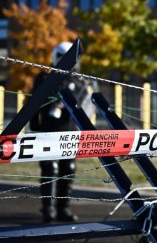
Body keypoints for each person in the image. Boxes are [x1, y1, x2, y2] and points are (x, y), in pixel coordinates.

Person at [30, 42, 91, 223]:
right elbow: (33, 105)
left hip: (69, 133)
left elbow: (81, 104)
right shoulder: (44, 78)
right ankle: (48, 209)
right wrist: (35, 128)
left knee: (68, 169)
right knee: (50, 169)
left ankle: (63, 208)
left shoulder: (79, 81)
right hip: (47, 132)